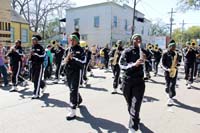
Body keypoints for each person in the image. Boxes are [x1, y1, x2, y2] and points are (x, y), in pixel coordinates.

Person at [119, 34, 145, 133]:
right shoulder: (127, 51)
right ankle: (135, 120)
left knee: (135, 105)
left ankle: (132, 128)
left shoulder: (143, 51)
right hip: (127, 81)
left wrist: (146, 59)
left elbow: (152, 63)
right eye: (136, 39)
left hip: (139, 82)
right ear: (132, 40)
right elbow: (121, 64)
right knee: (130, 104)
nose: (138, 40)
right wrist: (135, 64)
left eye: (139, 39)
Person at [64, 34, 86, 120]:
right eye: (70, 40)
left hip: (76, 72)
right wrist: (67, 59)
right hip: (69, 72)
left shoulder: (81, 50)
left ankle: (72, 111)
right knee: (71, 89)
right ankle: (79, 100)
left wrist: (74, 58)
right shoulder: (68, 50)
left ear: (77, 41)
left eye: (73, 40)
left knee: (73, 90)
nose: (71, 41)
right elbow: (64, 61)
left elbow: (83, 61)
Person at [162, 40, 179, 106]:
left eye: (175, 46)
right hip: (167, 71)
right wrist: (167, 69)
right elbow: (162, 64)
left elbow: (179, 62)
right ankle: (168, 91)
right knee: (168, 84)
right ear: (170, 47)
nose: (175, 48)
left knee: (172, 85)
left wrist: (177, 65)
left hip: (174, 71)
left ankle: (170, 98)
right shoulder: (165, 54)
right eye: (173, 47)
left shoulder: (176, 53)